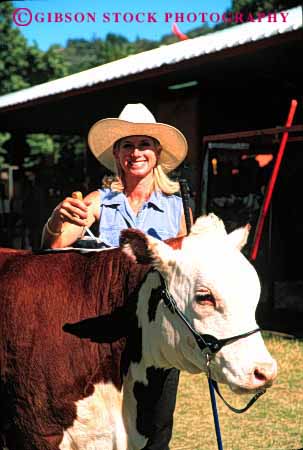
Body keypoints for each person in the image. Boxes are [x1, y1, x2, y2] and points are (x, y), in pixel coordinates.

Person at [41, 103, 190, 449]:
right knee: (102, 430)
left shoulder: (179, 205)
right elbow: (55, 247)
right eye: (127, 145)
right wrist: (56, 218)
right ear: (117, 154)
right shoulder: (100, 201)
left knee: (155, 429)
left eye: (144, 144)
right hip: (107, 331)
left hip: (158, 333)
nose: (136, 152)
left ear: (157, 152)